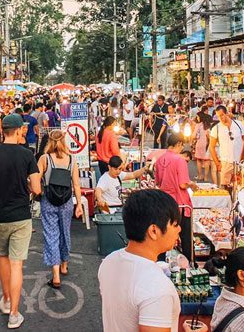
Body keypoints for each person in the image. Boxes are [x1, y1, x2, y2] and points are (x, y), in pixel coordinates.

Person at [0, 113, 42, 329]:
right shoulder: (27, 156)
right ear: (17, 131)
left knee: (3, 258)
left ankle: (6, 301)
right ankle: (14, 314)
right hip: (21, 217)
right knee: (17, 265)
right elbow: (37, 188)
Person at [98, 189, 182, 332]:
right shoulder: (156, 287)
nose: (179, 229)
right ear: (153, 231)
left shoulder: (109, 261)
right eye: (174, 225)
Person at [37, 130, 83, 288]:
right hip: (66, 202)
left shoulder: (45, 159)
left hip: (48, 201)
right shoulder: (72, 160)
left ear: (49, 141)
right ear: (64, 141)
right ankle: (64, 264)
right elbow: (76, 184)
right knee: (65, 232)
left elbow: (35, 179)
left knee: (51, 235)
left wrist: (36, 192)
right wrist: (79, 205)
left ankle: (55, 275)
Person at [155, 134, 199, 262]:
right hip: (180, 204)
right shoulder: (179, 160)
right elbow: (182, 184)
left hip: (164, 203)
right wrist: (192, 184)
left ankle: (161, 263)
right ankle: (189, 264)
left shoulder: (160, 159)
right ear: (179, 144)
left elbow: (158, 182)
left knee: (163, 234)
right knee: (185, 237)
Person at [209, 105, 244, 190]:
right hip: (225, 162)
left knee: (241, 187)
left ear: (227, 113)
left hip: (240, 162)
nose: (221, 118)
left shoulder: (239, 124)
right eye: (218, 116)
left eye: (222, 115)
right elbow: (211, 147)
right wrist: (217, 163)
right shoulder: (216, 128)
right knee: (225, 188)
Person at [193, 109, 214, 184]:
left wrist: (194, 139)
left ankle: (200, 176)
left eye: (198, 117)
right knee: (206, 161)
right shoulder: (209, 125)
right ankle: (205, 177)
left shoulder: (198, 125)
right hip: (207, 144)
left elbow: (193, 136)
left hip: (199, 144)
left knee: (199, 160)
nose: (197, 118)